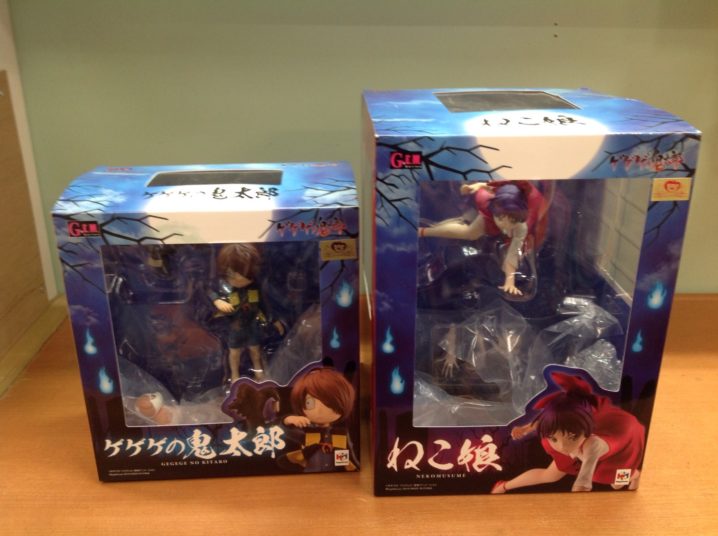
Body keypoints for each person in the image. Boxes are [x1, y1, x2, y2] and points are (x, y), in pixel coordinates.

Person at [491, 372, 645, 493]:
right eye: (553, 438)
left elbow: (583, 482)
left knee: (617, 484)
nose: (562, 447)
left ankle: (635, 475)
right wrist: (526, 428)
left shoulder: (594, 443)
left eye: (572, 437)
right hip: (581, 437)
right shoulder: (564, 419)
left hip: (620, 444)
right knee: (550, 475)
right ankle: (503, 486)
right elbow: (549, 421)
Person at [419, 180, 548, 296]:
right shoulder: (491, 208)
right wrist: (476, 186)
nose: (504, 225)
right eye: (501, 219)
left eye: (512, 221)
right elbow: (493, 187)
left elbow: (513, 253)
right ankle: (425, 231)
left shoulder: (521, 227)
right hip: (488, 206)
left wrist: (510, 281)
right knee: (470, 233)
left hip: (511, 205)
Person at [210, 244, 284, 382]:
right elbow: (209, 290)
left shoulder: (255, 287)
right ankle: (234, 375)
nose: (238, 278)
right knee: (234, 352)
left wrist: (274, 320)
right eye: (232, 274)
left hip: (252, 325)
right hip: (235, 326)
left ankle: (258, 370)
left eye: (244, 273)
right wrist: (217, 300)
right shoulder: (223, 286)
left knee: (255, 350)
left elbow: (264, 305)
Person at [279, 367, 357, 472]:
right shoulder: (309, 432)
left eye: (329, 403)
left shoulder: (341, 433)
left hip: (336, 474)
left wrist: (355, 467)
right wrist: (288, 420)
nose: (319, 411)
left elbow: (350, 454)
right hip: (311, 472)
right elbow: (289, 433)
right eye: (309, 403)